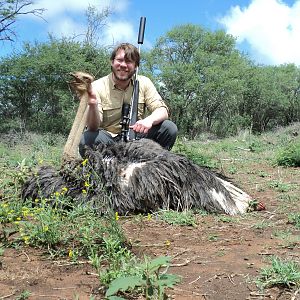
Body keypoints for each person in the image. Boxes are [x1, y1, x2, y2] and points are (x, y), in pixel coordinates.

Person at [79, 42, 177, 157]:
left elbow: (162, 110)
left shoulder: (144, 82)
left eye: (129, 61)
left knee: (169, 128)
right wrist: (92, 105)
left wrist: (148, 121)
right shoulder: (96, 86)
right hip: (109, 140)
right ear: (112, 62)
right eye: (119, 60)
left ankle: (154, 167)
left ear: (135, 66)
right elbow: (93, 126)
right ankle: (101, 170)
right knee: (87, 139)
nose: (123, 65)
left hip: (137, 137)